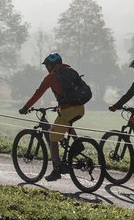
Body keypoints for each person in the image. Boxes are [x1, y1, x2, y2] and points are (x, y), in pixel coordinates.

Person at [19, 53, 86, 181]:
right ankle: (77, 144)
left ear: (53, 65)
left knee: (52, 138)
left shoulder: (51, 77)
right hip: (80, 108)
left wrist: (26, 107)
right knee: (65, 121)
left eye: (47, 65)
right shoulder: (70, 71)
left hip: (68, 110)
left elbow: (38, 93)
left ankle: (56, 170)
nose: (47, 68)